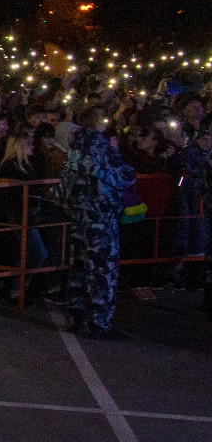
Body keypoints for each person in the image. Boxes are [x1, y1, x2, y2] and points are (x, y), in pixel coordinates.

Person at [59, 113, 137, 339]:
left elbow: (64, 189)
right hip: (101, 221)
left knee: (79, 269)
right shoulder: (103, 152)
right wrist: (114, 152)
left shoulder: (73, 154)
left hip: (78, 219)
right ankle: (99, 323)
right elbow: (126, 177)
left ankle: (76, 316)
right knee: (102, 272)